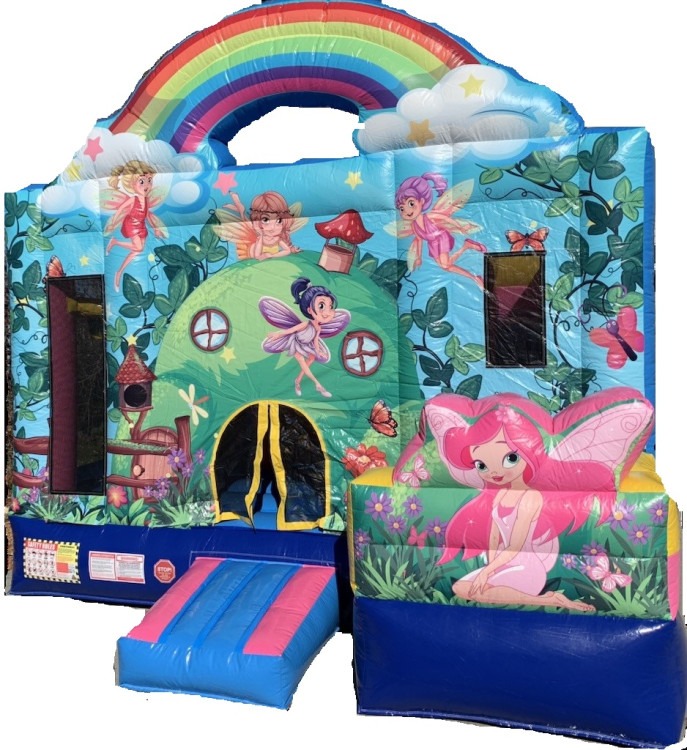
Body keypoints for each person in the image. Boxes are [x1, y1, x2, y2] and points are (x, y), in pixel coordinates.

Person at [437, 400, 616, 611]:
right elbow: (494, 537)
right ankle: (548, 599)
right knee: (460, 588)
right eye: (481, 465)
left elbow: (516, 544)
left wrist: (487, 573)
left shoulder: (530, 497)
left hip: (526, 564)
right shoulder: (499, 494)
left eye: (510, 458)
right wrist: (491, 568)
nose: (494, 472)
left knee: (478, 588)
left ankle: (551, 600)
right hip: (504, 561)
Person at [259, 277, 350, 398]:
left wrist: (319, 351)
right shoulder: (305, 324)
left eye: (330, 306)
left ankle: (297, 380)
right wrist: (278, 334)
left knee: (311, 359)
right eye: (321, 306)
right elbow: (291, 330)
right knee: (303, 363)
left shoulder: (318, 328)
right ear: (309, 310)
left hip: (306, 344)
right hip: (295, 343)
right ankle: (318, 385)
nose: (327, 312)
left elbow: (315, 340)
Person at [394, 173, 486, 285]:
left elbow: (445, 218)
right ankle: (471, 262)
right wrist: (418, 257)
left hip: (441, 238)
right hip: (432, 245)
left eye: (411, 203)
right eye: (402, 208)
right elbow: (419, 240)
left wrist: (459, 227)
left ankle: (471, 267)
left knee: (445, 265)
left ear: (421, 201)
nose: (407, 211)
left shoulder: (429, 216)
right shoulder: (414, 226)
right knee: (446, 267)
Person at [103, 160, 167, 291]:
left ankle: (119, 272)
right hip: (131, 224)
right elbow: (121, 210)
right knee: (138, 247)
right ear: (132, 184)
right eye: (142, 181)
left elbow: (147, 215)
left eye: (149, 181)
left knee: (137, 251)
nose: (147, 185)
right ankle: (115, 243)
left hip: (141, 226)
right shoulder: (133, 199)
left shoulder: (146, 200)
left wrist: (156, 228)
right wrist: (113, 223)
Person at [214, 190, 305, 260]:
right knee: (247, 226)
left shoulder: (278, 239)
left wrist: (272, 255)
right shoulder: (260, 239)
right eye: (266, 220)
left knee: (248, 224)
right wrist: (261, 238)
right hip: (249, 252)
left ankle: (241, 209)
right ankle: (240, 209)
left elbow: (287, 251)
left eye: (279, 220)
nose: (272, 227)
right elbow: (257, 256)